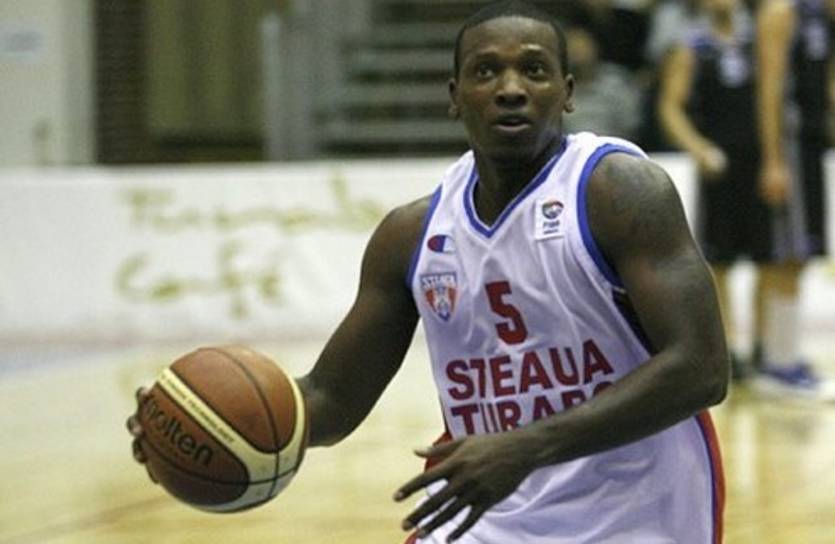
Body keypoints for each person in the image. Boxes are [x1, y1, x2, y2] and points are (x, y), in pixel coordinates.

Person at [128, 1, 729, 542]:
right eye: (486, 72)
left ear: (567, 92)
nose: (511, 88)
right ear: (454, 94)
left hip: (636, 511)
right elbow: (332, 398)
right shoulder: (411, 236)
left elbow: (701, 368)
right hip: (482, 512)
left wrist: (529, 445)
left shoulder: (618, 192)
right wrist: (198, 424)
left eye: (534, 70)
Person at [657, 0, 761, 380]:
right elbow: (670, 107)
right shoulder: (692, 46)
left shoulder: (757, 38)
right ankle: (729, 346)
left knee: (770, 256)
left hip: (762, 160)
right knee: (720, 260)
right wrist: (699, 148)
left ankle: (765, 345)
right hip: (719, 164)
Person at [752, 0, 834, 399]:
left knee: (799, 256)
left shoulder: (819, 15)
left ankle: (777, 355)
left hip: (813, 146)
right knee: (788, 253)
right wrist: (773, 159)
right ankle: (777, 364)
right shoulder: (781, 12)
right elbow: (770, 87)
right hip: (790, 147)